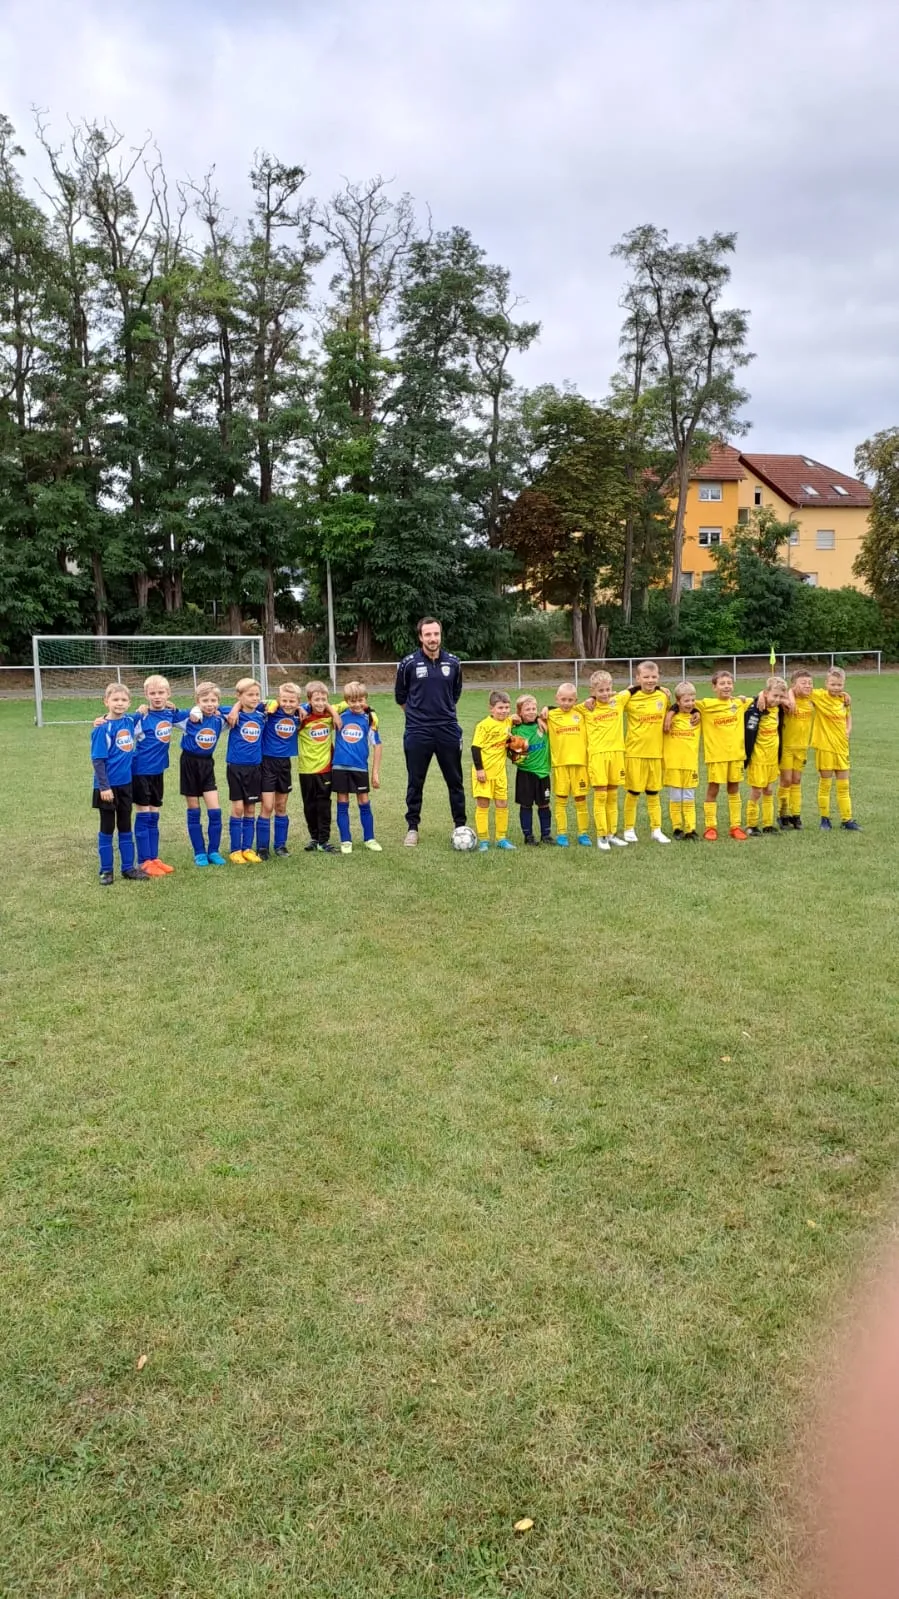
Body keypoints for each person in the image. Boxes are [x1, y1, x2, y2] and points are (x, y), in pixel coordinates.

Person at [395, 618, 466, 846]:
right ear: (420, 637)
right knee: (415, 782)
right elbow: (401, 697)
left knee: (455, 781)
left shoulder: (454, 663)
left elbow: (455, 694)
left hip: (447, 729)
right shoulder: (408, 664)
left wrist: (442, 713)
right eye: (428, 634)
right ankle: (412, 828)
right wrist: (417, 717)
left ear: (440, 635)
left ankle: (460, 825)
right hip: (418, 732)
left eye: (436, 634)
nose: (432, 638)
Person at [131, 674, 191, 876]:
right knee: (144, 813)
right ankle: (143, 861)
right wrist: (102, 719)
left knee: (155, 815)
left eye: (161, 692)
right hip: (140, 772)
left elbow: (196, 712)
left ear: (168, 693)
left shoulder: (170, 713)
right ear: (146, 695)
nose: (157, 696)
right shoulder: (141, 716)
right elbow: (118, 723)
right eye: (153, 693)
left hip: (158, 772)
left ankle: (154, 858)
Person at [90, 683, 149, 884]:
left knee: (125, 825)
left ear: (129, 703)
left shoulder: (130, 720)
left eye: (124, 700)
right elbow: (98, 760)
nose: (119, 703)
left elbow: (143, 711)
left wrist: (144, 708)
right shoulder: (102, 728)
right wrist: (104, 787)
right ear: (106, 702)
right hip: (107, 787)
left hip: (126, 785)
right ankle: (106, 871)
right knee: (107, 827)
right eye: (115, 699)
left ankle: (128, 868)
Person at [695, 669, 751, 842]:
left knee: (734, 789)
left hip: (736, 755)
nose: (726, 686)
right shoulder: (706, 704)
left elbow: (762, 698)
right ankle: (710, 827)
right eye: (722, 684)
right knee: (713, 789)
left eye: (729, 683)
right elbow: (684, 701)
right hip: (716, 756)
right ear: (714, 687)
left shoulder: (739, 703)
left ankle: (735, 826)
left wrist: (757, 697)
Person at [620, 661, 671, 844]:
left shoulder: (663, 696)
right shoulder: (629, 697)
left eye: (654, 677)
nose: (650, 680)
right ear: (638, 678)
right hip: (635, 752)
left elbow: (674, 709)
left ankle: (656, 830)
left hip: (656, 753)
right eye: (646, 677)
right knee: (633, 793)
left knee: (653, 793)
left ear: (658, 677)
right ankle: (628, 829)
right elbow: (608, 702)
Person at [332, 680, 383, 855]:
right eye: (352, 701)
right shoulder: (340, 715)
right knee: (342, 803)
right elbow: (326, 707)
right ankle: (345, 840)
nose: (356, 704)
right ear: (346, 700)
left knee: (364, 802)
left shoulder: (369, 719)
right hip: (340, 766)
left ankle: (369, 838)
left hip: (360, 768)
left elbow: (377, 745)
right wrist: (335, 713)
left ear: (365, 699)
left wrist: (375, 773)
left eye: (360, 700)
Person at [579, 670, 629, 850]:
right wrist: (546, 709)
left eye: (608, 689)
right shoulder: (586, 707)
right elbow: (563, 707)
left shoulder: (619, 700)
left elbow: (637, 688)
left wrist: (663, 689)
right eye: (600, 691)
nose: (605, 693)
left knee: (613, 796)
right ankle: (601, 835)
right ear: (592, 691)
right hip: (598, 755)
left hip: (617, 753)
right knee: (601, 796)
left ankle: (611, 833)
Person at [179, 681, 226, 867]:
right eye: (205, 700)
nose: (209, 704)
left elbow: (241, 707)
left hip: (207, 765)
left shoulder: (220, 720)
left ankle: (213, 851)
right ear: (197, 701)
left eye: (213, 700)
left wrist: (224, 710)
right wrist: (192, 710)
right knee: (194, 809)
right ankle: (199, 852)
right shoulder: (188, 719)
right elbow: (167, 712)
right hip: (188, 764)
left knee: (215, 811)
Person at [222, 678, 266, 865]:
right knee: (238, 808)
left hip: (255, 768)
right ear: (239, 696)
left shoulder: (262, 714)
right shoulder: (230, 713)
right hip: (235, 767)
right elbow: (209, 708)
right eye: (250, 695)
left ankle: (247, 848)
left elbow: (278, 704)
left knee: (250, 809)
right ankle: (235, 850)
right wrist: (235, 708)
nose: (254, 698)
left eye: (257, 694)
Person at [256, 682, 303, 859]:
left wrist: (301, 709)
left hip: (284, 764)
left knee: (281, 806)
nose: (288, 704)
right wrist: (272, 703)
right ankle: (262, 847)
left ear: (298, 701)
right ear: (278, 699)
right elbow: (249, 703)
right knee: (267, 806)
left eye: (292, 701)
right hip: (267, 763)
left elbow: (323, 704)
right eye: (284, 700)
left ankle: (280, 846)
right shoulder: (270, 710)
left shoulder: (300, 713)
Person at [811, 668, 860, 831]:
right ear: (826, 683)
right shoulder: (818, 696)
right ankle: (824, 819)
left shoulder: (843, 700)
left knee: (844, 786)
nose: (836, 688)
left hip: (842, 747)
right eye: (833, 684)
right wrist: (762, 695)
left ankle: (847, 820)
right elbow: (796, 690)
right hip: (825, 747)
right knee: (825, 784)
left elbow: (848, 716)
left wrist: (848, 730)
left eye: (839, 685)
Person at [542, 683, 590, 847]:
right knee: (561, 800)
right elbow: (534, 716)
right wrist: (545, 709)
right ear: (557, 699)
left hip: (580, 764)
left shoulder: (581, 713)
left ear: (576, 700)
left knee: (581, 799)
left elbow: (597, 700)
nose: (566, 703)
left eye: (570, 700)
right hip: (560, 765)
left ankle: (583, 833)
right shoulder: (551, 715)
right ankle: (562, 834)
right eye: (563, 699)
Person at [298, 680, 342, 853]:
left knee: (323, 805)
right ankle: (314, 838)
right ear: (309, 700)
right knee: (309, 805)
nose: (320, 703)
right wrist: (300, 707)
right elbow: (285, 706)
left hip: (325, 769)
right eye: (316, 699)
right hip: (306, 769)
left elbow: (349, 702)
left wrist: (334, 713)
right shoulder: (302, 717)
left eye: (324, 699)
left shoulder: (329, 715)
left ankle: (324, 840)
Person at [470, 690, 515, 851]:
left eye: (506, 707)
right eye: (500, 708)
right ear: (491, 708)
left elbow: (521, 716)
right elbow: (475, 748)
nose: (504, 711)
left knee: (502, 804)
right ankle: (484, 840)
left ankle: (501, 838)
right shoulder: (483, 725)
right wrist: (479, 770)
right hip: (484, 773)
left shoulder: (509, 721)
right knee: (483, 804)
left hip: (500, 773)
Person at [743, 676, 788, 836]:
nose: (777, 699)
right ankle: (751, 824)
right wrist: (760, 696)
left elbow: (790, 698)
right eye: (774, 695)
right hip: (758, 758)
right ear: (766, 693)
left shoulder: (778, 708)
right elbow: (741, 700)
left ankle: (768, 824)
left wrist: (782, 699)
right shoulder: (756, 707)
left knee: (769, 790)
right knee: (756, 791)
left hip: (772, 758)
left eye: (780, 696)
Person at [510, 694, 552, 845]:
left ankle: (546, 835)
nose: (532, 712)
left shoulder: (543, 724)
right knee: (526, 805)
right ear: (519, 712)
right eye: (527, 709)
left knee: (544, 804)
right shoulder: (515, 729)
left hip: (543, 773)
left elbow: (560, 709)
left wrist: (544, 711)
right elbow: (512, 755)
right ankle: (528, 836)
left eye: (534, 708)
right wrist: (518, 750)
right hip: (525, 773)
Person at [662, 681, 701, 840]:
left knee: (689, 796)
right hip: (673, 764)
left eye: (692, 700)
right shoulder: (669, 716)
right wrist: (670, 713)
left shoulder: (697, 717)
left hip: (690, 764)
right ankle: (677, 828)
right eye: (686, 701)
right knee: (676, 797)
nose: (690, 703)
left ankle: (691, 829)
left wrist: (697, 711)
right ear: (678, 702)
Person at [778, 668, 815, 829]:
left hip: (802, 747)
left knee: (797, 780)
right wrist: (790, 696)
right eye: (803, 683)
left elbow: (832, 694)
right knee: (786, 780)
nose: (808, 685)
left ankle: (796, 815)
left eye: (810, 683)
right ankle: (783, 814)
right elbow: (770, 693)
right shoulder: (786, 701)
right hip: (787, 747)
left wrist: (846, 695)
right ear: (793, 685)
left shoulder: (812, 699)